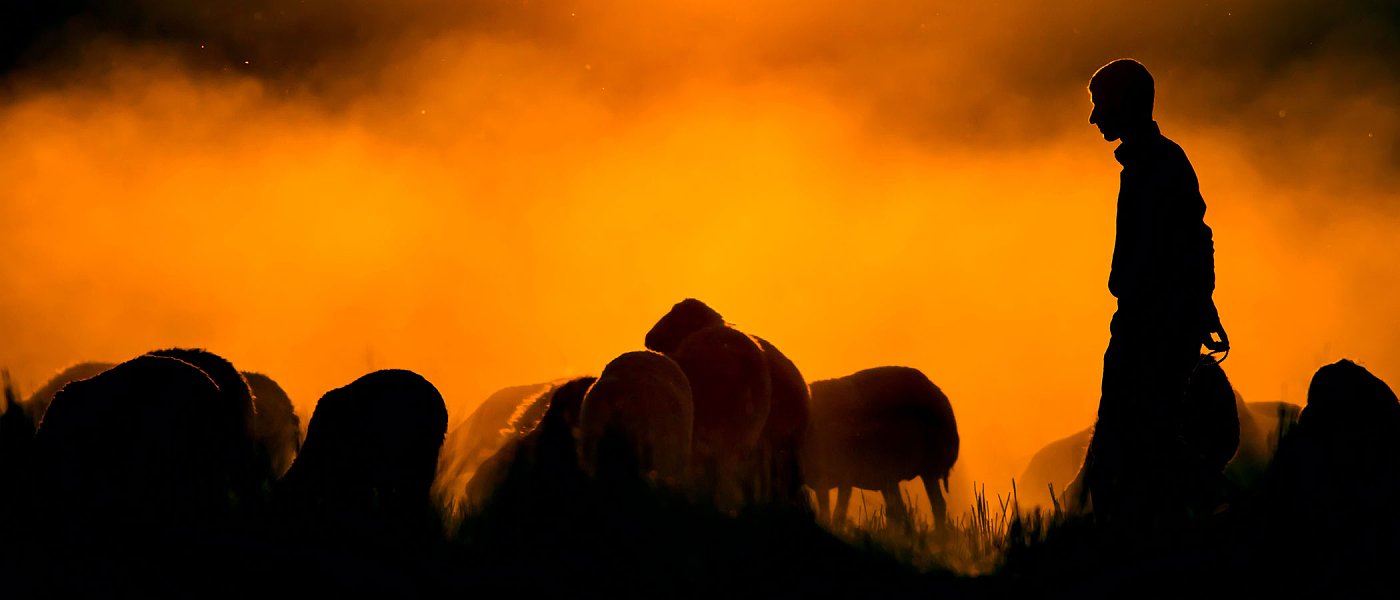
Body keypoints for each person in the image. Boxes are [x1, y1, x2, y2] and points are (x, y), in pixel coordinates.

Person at [1069, 59, 1230, 523]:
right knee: (1140, 436)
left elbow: (1191, 241)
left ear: (1124, 105)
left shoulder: (1155, 166)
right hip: (1154, 320)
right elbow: (1196, 240)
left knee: (1132, 438)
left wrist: (1196, 307)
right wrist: (1204, 306)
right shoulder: (1157, 162)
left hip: (1149, 326)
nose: (1094, 118)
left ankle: (1218, 508)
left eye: (1100, 106)